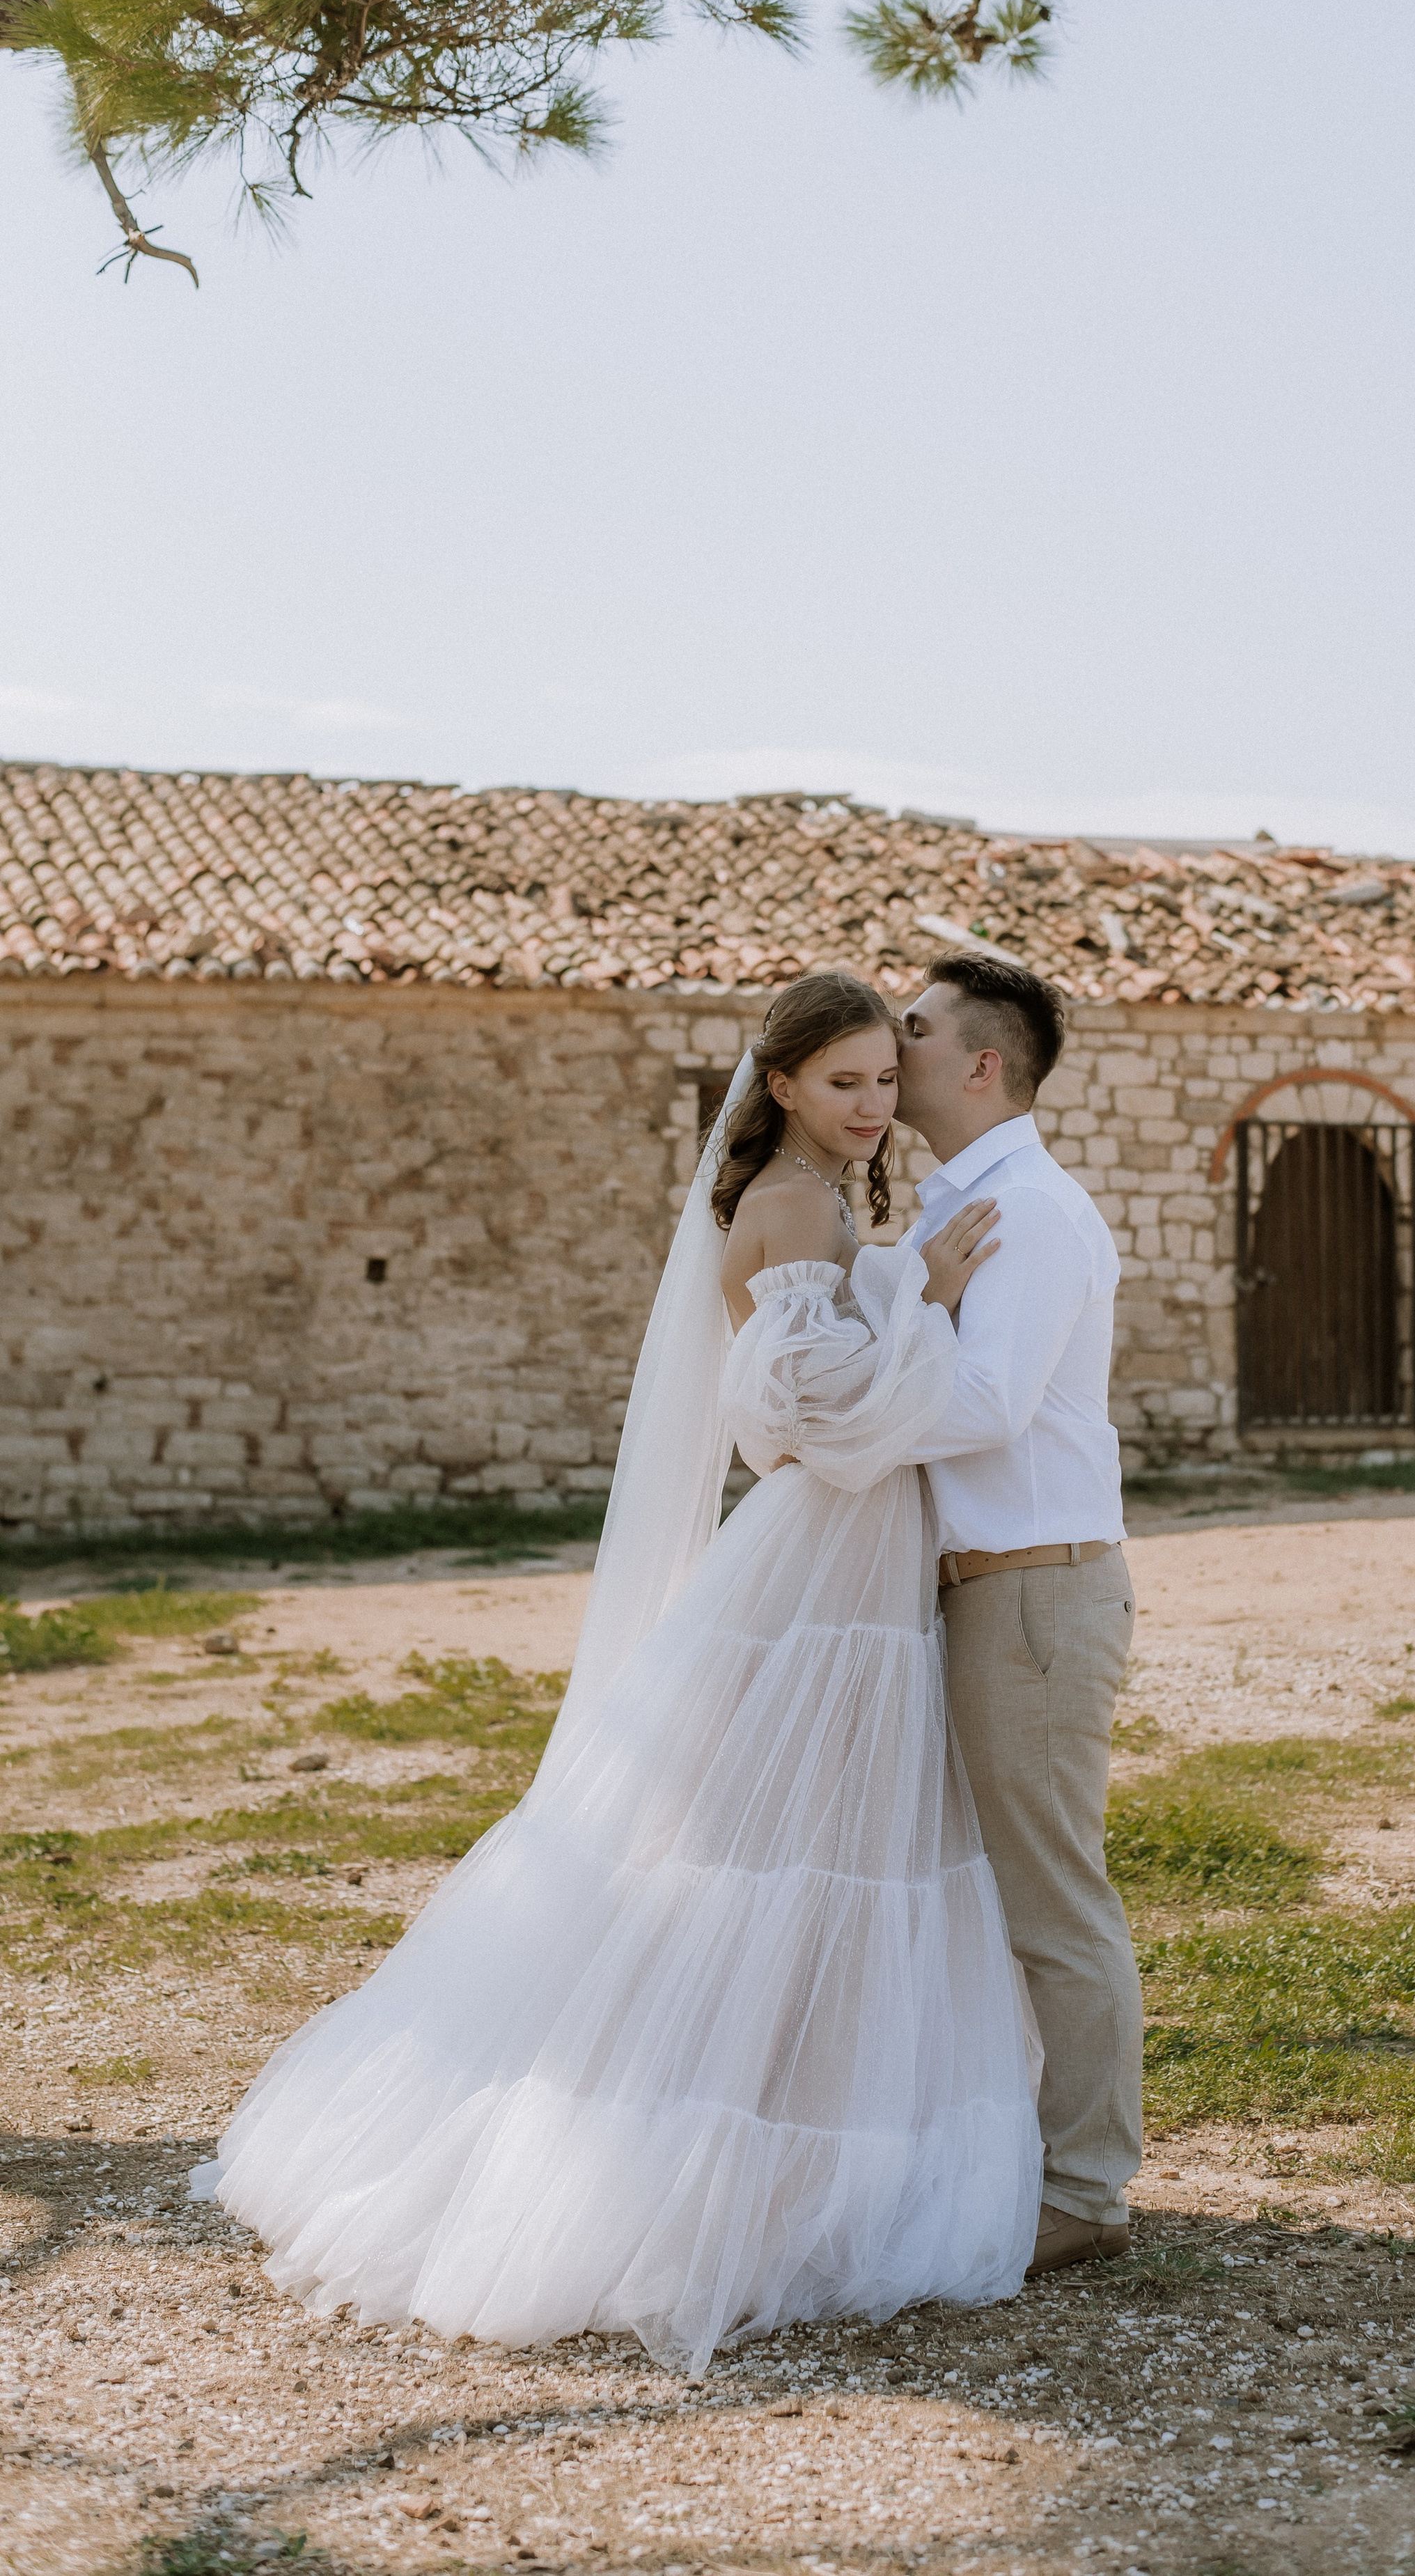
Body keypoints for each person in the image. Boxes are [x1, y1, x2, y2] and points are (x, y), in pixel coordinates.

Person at [189, 973, 1042, 2374]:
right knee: (780, 1846)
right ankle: (724, 2164)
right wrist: (933, 1306)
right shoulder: (794, 1207)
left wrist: (902, 1299)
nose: (874, 1103)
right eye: (843, 1083)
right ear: (778, 1087)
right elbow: (802, 1419)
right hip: (829, 1553)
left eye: (886, 1079)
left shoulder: (808, 1202)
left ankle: (786, 2131)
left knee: (808, 1843)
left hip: (846, 1556)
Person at [893, 951, 1140, 2277]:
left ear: (981, 1063)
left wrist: (877, 1357)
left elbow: (985, 1408)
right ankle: (1017, 2152)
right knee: (982, 1898)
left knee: (1054, 1902)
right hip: (987, 1589)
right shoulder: (965, 1204)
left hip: (1037, 1591)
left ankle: (1090, 2192)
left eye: (915, 1028)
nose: (894, 1041)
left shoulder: (1031, 1214)